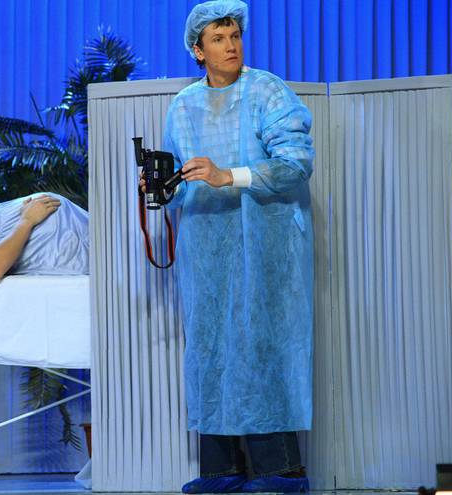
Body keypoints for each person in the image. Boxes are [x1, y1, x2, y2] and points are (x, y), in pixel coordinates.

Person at [145, 1, 315, 492]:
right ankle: (220, 472)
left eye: (235, 35)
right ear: (198, 51)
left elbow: (296, 163)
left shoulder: (267, 90)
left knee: (263, 347)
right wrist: (161, 189)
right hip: (205, 251)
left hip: (267, 246)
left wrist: (227, 176)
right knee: (209, 349)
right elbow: (180, 181)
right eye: (218, 39)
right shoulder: (183, 106)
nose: (231, 45)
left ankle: (281, 473)